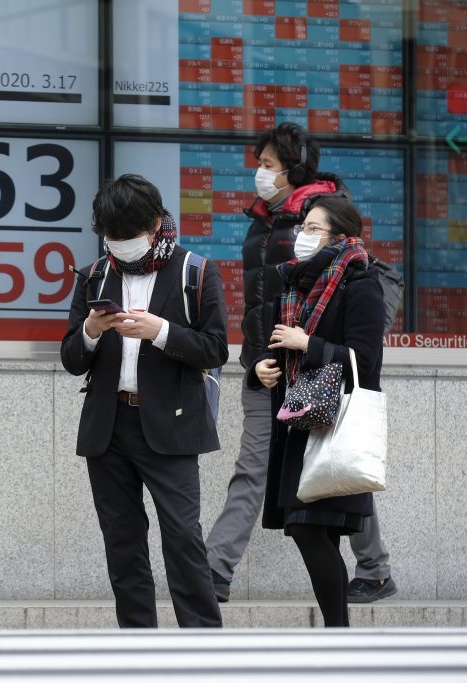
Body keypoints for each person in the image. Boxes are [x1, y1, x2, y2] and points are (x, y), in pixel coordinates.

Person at [204, 122, 397, 603]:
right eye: (260, 164)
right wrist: (258, 359)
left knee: (337, 466)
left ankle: (373, 569)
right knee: (254, 467)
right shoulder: (265, 219)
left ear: (293, 168)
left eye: (268, 165)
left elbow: (351, 331)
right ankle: (214, 571)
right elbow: (261, 299)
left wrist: (302, 346)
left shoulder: (325, 226)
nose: (260, 173)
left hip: (317, 367)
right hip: (266, 360)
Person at [61, 174, 228, 628]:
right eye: (110, 236)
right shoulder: (95, 274)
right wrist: (91, 332)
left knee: (182, 538)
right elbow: (72, 359)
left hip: (171, 425)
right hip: (108, 426)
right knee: (122, 542)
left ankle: (204, 648)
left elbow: (216, 348)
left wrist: (160, 332)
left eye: (127, 236)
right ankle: (138, 649)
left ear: (156, 225)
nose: (118, 245)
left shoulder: (195, 270)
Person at [252, 195, 385, 627]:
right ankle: (338, 635)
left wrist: (306, 344)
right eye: (302, 227)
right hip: (297, 422)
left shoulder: (362, 283)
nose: (301, 236)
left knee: (309, 529)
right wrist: (261, 369)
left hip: (336, 426)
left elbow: (364, 363)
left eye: (313, 229)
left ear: (341, 236)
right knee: (312, 530)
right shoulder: (292, 284)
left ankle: (338, 634)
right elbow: (265, 347)